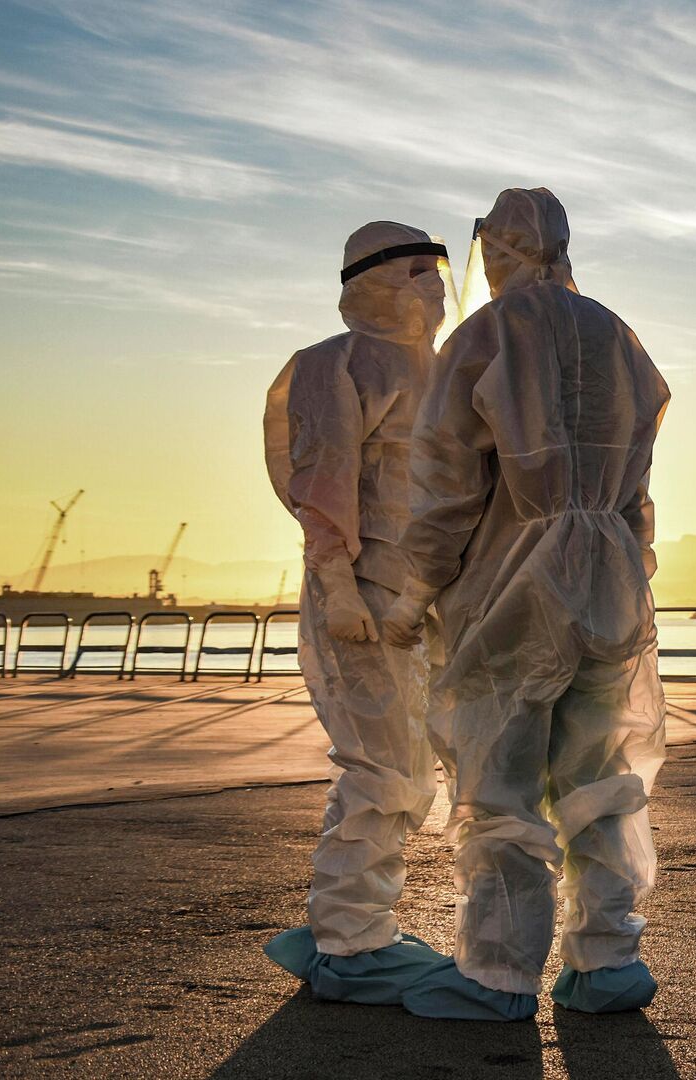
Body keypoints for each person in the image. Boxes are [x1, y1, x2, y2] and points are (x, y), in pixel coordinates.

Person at [383, 188, 671, 1021]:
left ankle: (499, 972)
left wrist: (414, 589)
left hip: (512, 586)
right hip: (611, 577)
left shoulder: (486, 334)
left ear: (498, 248)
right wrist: (632, 560)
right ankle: (608, 960)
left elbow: (443, 485)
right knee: (600, 767)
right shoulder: (618, 335)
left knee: (500, 775)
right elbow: (640, 481)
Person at [259, 221, 450, 1003]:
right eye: (416, 272)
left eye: (438, 270)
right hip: (363, 596)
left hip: (423, 599)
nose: (434, 287)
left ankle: (355, 924)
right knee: (382, 769)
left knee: (413, 769)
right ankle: (348, 943)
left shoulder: (443, 370)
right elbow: (322, 476)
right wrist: (337, 584)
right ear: (372, 281)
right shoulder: (329, 365)